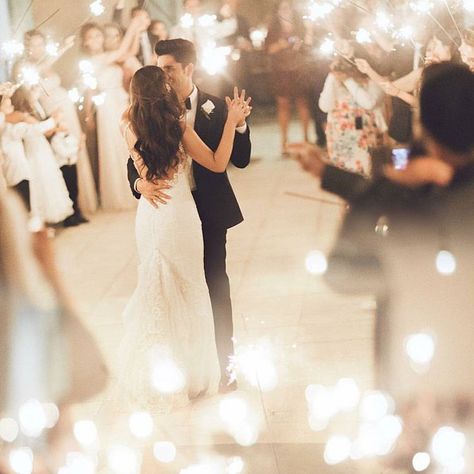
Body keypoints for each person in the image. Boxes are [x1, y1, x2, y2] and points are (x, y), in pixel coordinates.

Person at [324, 63, 474, 469]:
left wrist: (383, 189)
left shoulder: (405, 198)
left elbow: (340, 272)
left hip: (418, 382)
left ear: (424, 124)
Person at [119, 65, 250, 409]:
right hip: (179, 214)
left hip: (151, 215)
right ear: (164, 90)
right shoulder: (177, 126)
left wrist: (143, 183)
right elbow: (219, 163)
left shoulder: (128, 124)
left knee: (156, 290)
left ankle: (158, 374)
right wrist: (230, 121)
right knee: (190, 290)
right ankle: (193, 372)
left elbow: (143, 169)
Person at [20, 29, 98, 223]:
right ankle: (69, 211)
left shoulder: (46, 65)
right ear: (27, 48)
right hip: (51, 116)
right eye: (34, 45)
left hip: (66, 110)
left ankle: (77, 207)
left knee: (73, 156)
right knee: (62, 159)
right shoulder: (26, 68)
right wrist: (63, 47)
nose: (38, 49)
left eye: (41, 44)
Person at [79, 17, 146, 210]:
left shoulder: (109, 55)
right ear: (85, 42)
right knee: (118, 144)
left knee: (131, 139)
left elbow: (129, 52)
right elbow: (90, 90)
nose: (97, 39)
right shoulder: (92, 61)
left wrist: (135, 31)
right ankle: (121, 192)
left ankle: (137, 182)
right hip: (108, 105)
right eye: (92, 37)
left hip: (121, 100)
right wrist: (133, 26)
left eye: (99, 35)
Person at [319, 57, 386, 176]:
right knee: (342, 176)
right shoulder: (335, 82)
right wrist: (331, 78)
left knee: (366, 173)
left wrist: (348, 81)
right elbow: (325, 106)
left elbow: (368, 103)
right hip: (339, 138)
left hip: (365, 137)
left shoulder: (372, 81)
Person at [265, 1, 312, 155]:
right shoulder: (273, 28)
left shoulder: (300, 25)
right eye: (283, 8)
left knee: (302, 103)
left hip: (299, 68)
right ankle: (284, 142)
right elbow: (267, 49)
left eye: (289, 7)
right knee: (283, 104)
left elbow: (308, 45)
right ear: (278, 10)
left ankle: (306, 140)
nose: (287, 11)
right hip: (281, 71)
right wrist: (281, 44)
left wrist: (301, 42)